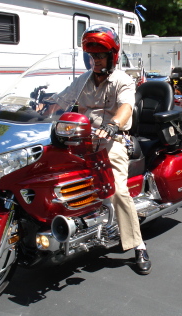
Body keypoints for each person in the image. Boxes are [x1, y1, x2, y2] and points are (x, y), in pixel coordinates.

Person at [46, 25, 151, 275]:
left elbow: (126, 107)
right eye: (92, 56)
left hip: (110, 140)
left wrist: (113, 126)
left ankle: (138, 244)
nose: (95, 60)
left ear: (112, 57)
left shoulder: (122, 80)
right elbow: (60, 101)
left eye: (100, 56)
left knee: (116, 190)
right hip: (80, 140)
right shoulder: (83, 80)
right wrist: (42, 108)